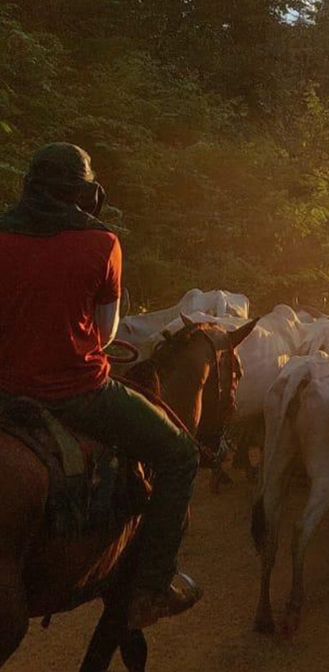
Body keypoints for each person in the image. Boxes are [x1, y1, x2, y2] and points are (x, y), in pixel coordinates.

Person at [0, 142, 203, 629]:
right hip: (76, 394)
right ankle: (151, 587)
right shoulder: (102, 244)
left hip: (4, 392)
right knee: (179, 455)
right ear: (84, 195)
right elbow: (108, 331)